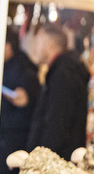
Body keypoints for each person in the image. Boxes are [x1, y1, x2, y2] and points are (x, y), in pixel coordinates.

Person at [27, 23, 90, 161]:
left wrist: (41, 160)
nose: (35, 47)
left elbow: (57, 125)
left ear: (50, 44)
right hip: (58, 161)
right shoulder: (62, 71)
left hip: (57, 163)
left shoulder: (63, 74)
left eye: (38, 42)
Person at [0, 29, 40, 174]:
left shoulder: (23, 67)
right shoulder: (6, 65)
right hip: (6, 136)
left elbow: (21, 98)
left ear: (7, 46)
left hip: (16, 138)